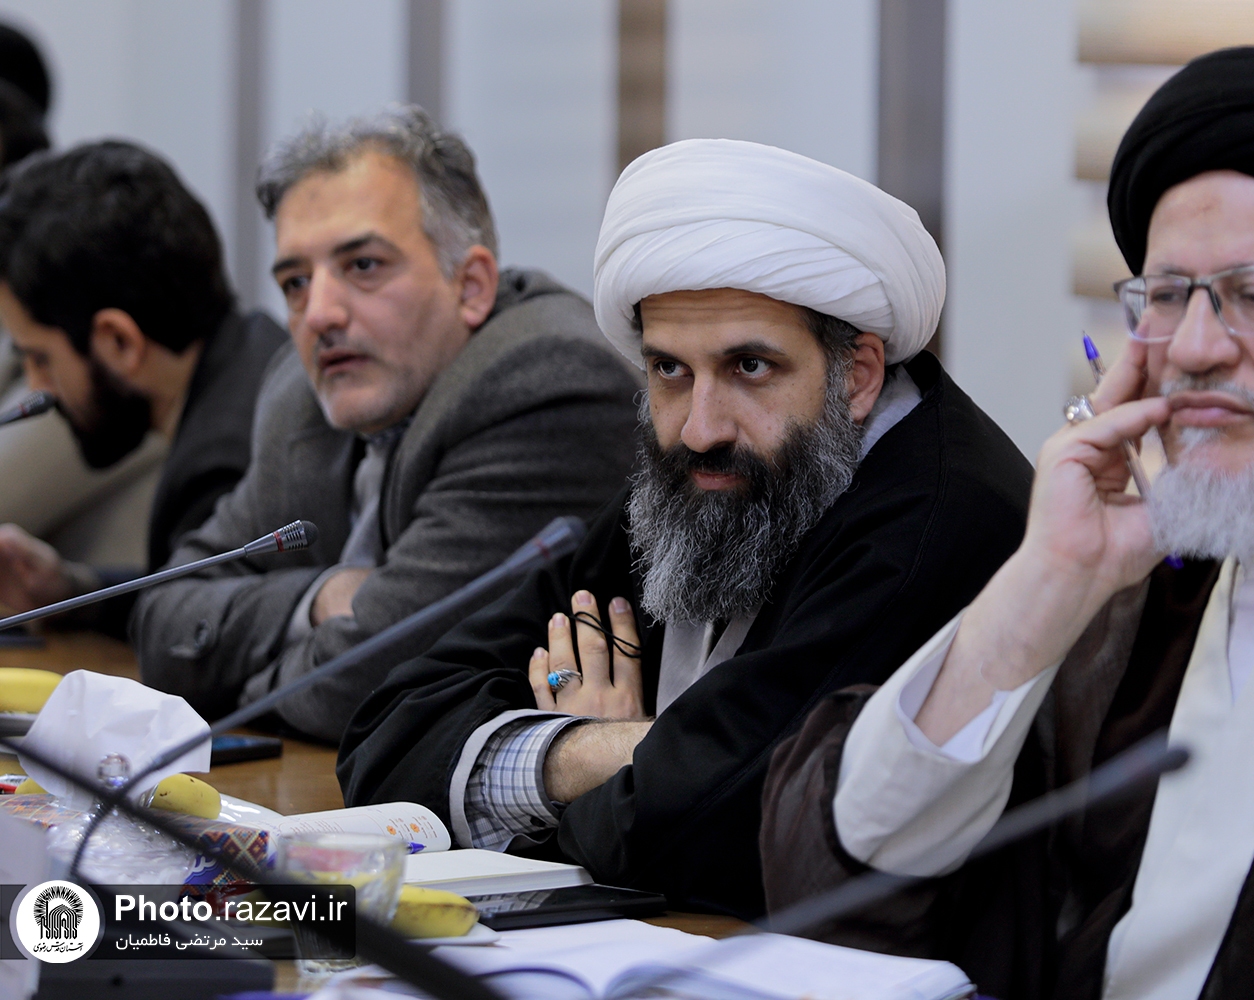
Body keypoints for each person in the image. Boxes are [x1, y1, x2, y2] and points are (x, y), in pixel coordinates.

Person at [760, 46, 1254, 999]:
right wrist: (1048, 581)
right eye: (1168, 297)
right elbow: (840, 871)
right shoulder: (1128, 583)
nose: (1193, 347)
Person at [338, 138, 1034, 919]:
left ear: (858, 375)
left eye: (749, 368)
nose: (700, 427)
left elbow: (713, 832)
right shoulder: (701, 485)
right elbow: (387, 736)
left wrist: (635, 777)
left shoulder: (931, 524)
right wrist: (592, 751)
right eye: (670, 369)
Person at [133, 107, 641, 741]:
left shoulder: (544, 383)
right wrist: (318, 598)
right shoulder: (302, 392)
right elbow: (162, 615)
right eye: (295, 281)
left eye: (363, 266)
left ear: (471, 286)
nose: (319, 314)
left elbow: (367, 684)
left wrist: (228, 682)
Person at [0, 141, 286, 635]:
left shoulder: (226, 466)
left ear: (119, 341)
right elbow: (182, 596)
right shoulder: (249, 356)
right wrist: (71, 592)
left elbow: (197, 642)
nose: (38, 388)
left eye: (41, 359)